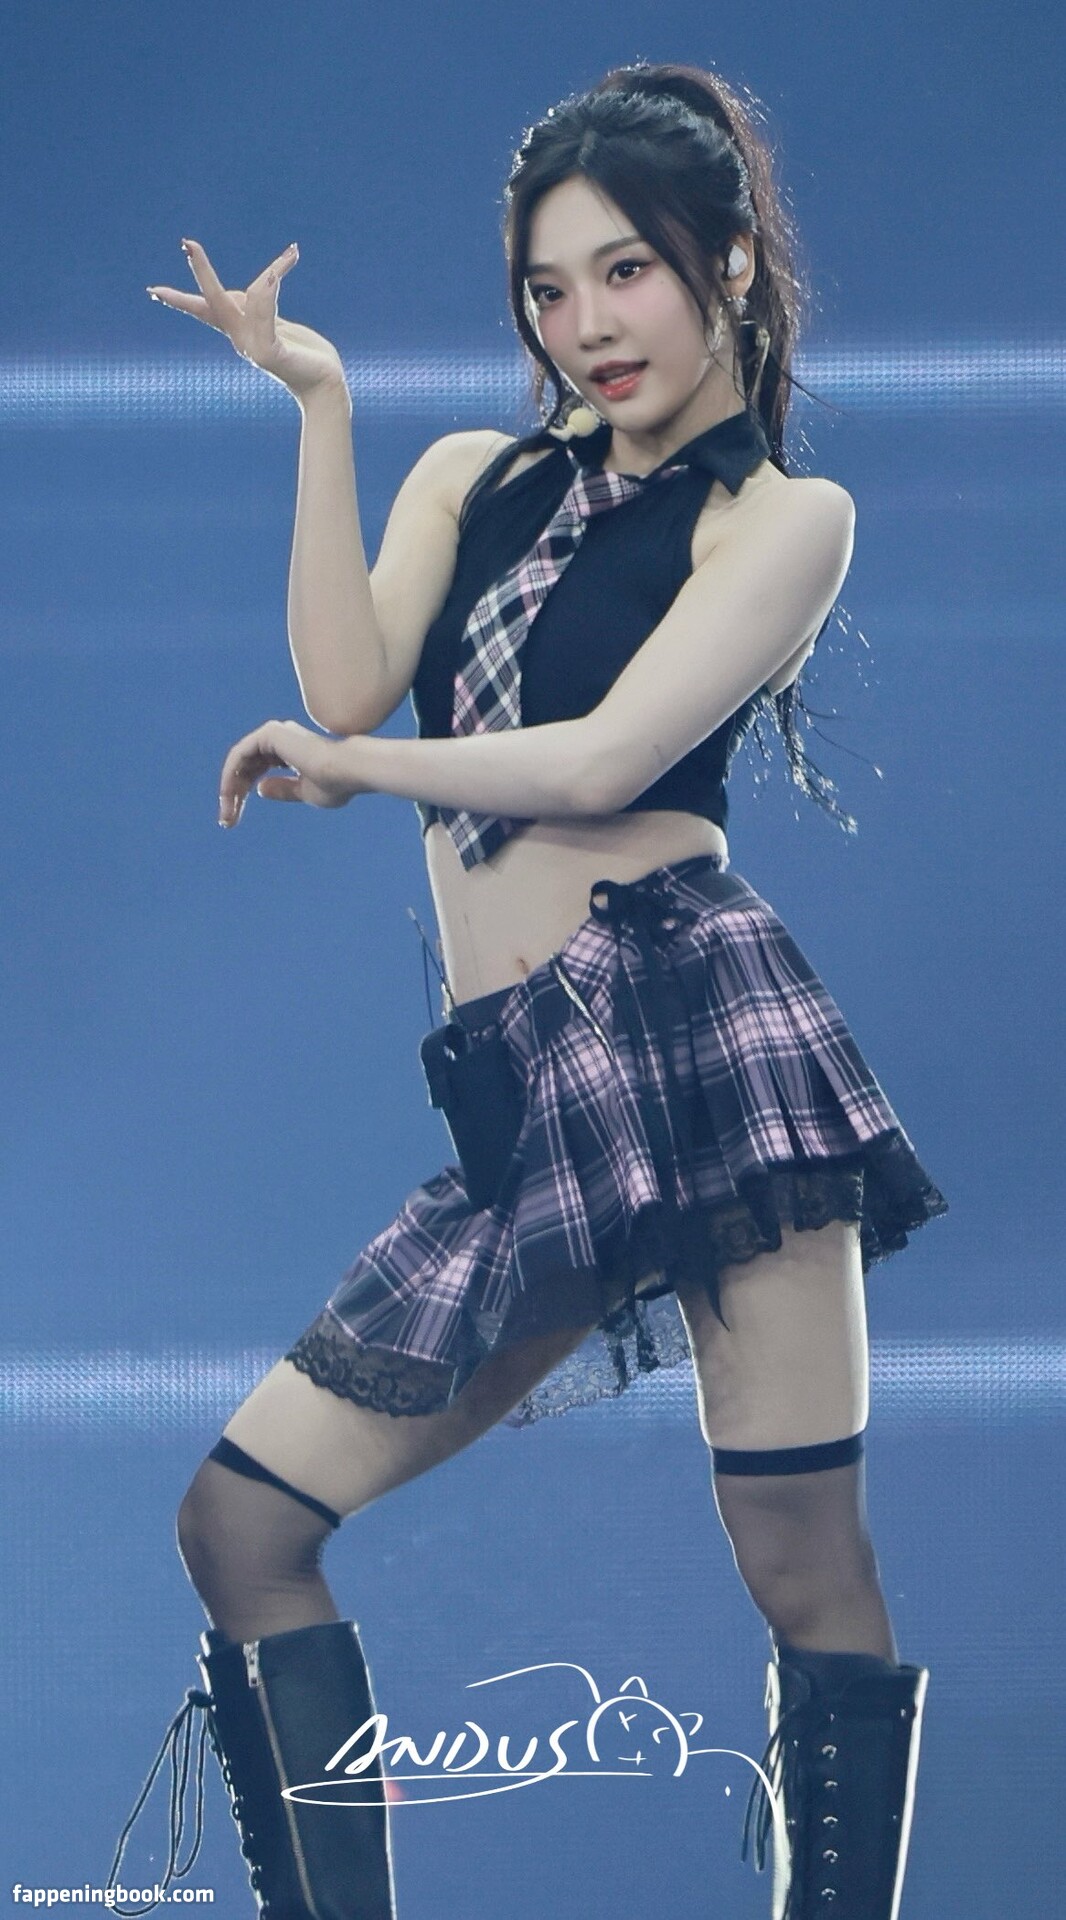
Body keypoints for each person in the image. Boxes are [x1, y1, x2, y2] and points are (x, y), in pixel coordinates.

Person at [109, 59, 948, 1920]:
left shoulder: (779, 519)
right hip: (521, 1075)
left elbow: (597, 761)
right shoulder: (471, 479)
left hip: (701, 1042)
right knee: (242, 1522)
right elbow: (342, 684)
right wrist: (319, 404)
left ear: (729, 265)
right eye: (549, 291)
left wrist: (359, 771)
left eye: (625, 273)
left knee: (799, 1557)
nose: (587, 327)